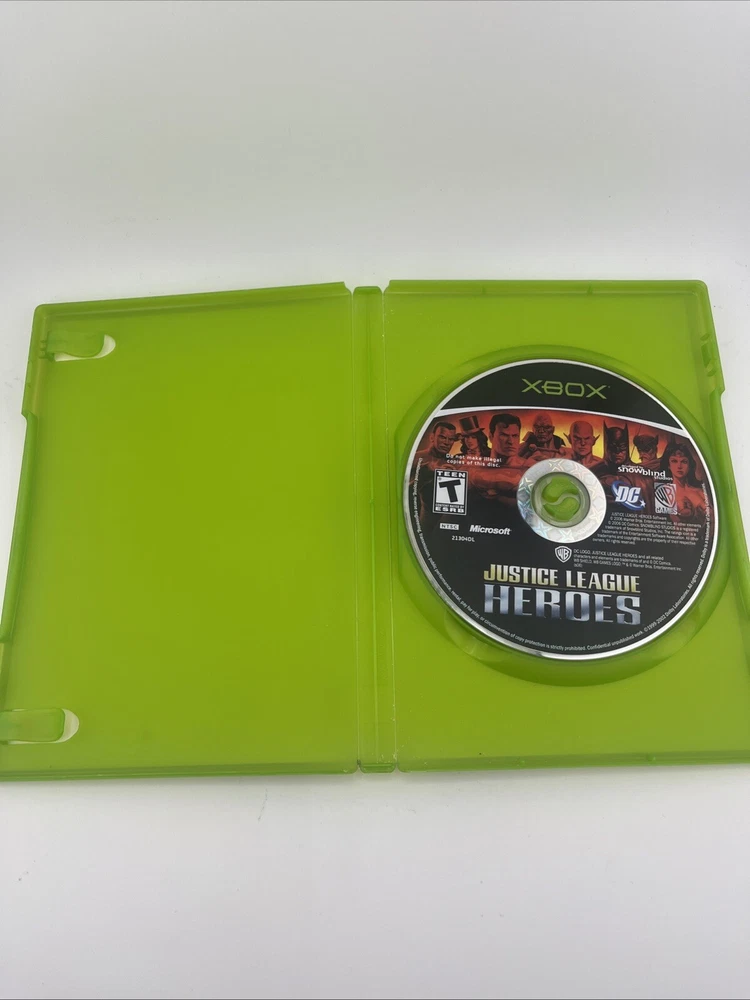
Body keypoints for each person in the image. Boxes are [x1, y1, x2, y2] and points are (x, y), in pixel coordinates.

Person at [660, 440, 707, 522]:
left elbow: (713, 520)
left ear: (689, 466)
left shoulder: (700, 492)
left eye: (684, 461)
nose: (679, 466)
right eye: (674, 461)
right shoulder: (662, 492)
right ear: (668, 465)